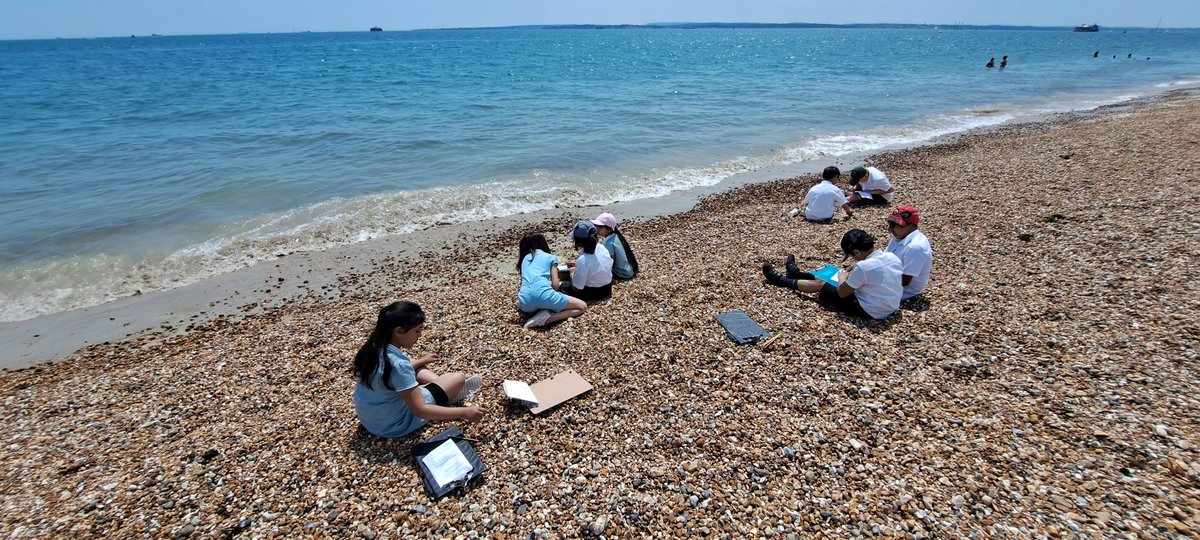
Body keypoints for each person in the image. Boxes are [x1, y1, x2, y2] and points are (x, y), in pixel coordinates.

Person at [353, 301, 484, 439]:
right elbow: (420, 410)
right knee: (457, 378)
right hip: (395, 424)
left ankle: (442, 388)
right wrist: (464, 412)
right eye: (417, 330)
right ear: (398, 331)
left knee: (418, 368)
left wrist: (421, 361)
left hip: (373, 420)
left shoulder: (372, 348)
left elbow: (396, 372)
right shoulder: (399, 365)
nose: (419, 335)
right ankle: (447, 395)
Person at [762, 229, 903, 319]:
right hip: (890, 305)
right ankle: (796, 274)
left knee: (826, 283)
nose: (853, 259)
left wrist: (842, 279)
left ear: (857, 252)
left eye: (852, 256)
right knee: (841, 274)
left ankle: (782, 281)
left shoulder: (864, 267)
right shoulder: (891, 257)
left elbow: (842, 293)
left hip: (870, 311)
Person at [517, 233, 587, 328]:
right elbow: (555, 285)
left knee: (541, 301)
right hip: (543, 296)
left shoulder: (525, 258)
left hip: (524, 303)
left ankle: (540, 311)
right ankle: (548, 319)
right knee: (582, 306)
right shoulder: (551, 258)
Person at [883, 205, 932, 300]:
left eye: (895, 225)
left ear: (911, 225)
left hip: (902, 291)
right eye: (890, 224)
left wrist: (874, 279)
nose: (891, 229)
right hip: (889, 279)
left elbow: (905, 281)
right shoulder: (899, 237)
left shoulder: (915, 247)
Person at [560, 220, 614, 301]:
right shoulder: (602, 248)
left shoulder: (583, 259)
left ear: (578, 241)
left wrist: (572, 272)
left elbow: (576, 288)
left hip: (593, 293)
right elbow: (595, 264)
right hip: (607, 289)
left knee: (561, 284)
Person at [591, 212, 639, 280]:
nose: (597, 228)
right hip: (629, 270)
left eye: (600, 227)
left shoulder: (609, 243)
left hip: (621, 273)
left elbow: (610, 263)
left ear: (610, 229)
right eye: (596, 225)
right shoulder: (616, 236)